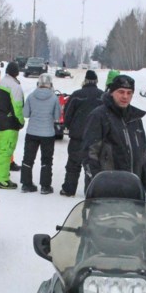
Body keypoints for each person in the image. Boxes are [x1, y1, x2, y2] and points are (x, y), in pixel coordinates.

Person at [82, 73, 146, 192]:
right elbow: (90, 154)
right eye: (121, 92)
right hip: (106, 190)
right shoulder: (99, 116)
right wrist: (98, 181)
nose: (125, 96)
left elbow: (143, 152)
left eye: (129, 93)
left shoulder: (135, 119)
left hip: (132, 188)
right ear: (112, 92)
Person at [59, 69, 104, 197]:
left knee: (73, 163)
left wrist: (68, 126)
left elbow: (67, 113)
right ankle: (90, 191)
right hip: (95, 137)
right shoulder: (102, 96)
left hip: (77, 136)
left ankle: (68, 189)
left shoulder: (77, 95)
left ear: (85, 80)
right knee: (92, 165)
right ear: (96, 81)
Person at [20, 73, 62, 194]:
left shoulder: (31, 96)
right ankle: (45, 186)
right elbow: (57, 116)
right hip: (48, 134)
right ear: (50, 84)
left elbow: (26, 114)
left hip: (32, 132)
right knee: (46, 160)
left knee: (28, 159)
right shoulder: (54, 98)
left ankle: (26, 184)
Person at [0, 60, 25, 189]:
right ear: (16, 73)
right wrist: (20, 122)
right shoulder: (15, 87)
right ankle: (2, 179)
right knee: (6, 152)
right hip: (9, 125)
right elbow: (17, 107)